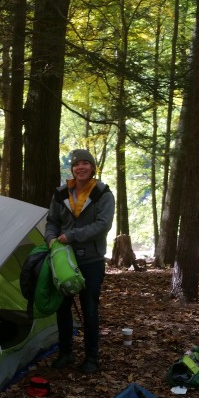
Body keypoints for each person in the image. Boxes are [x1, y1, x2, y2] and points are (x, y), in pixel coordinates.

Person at [45, 149, 115, 373]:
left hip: (91, 260)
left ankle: (92, 357)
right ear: (72, 169)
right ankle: (66, 353)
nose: (81, 167)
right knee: (62, 308)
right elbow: (52, 221)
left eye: (86, 163)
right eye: (77, 164)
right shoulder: (61, 193)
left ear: (93, 168)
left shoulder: (103, 194)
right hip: (64, 259)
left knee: (89, 309)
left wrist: (73, 236)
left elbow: (103, 225)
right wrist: (51, 239)